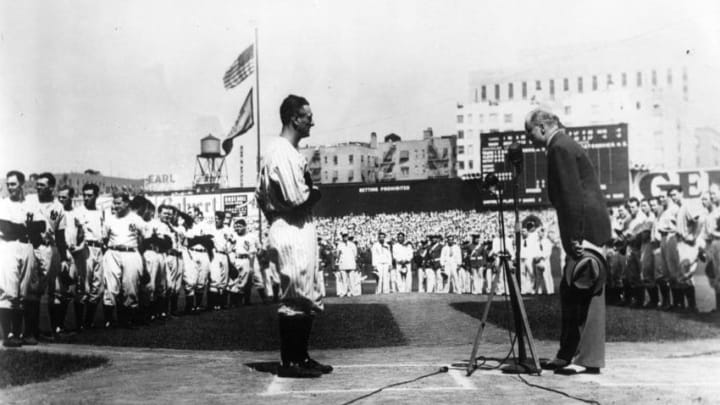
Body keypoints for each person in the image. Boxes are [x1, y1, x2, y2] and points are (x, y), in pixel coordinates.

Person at [526, 109, 611, 375]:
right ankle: (568, 353)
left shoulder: (560, 147)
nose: (528, 138)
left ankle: (587, 359)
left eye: (529, 132)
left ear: (541, 127)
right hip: (585, 227)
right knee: (571, 291)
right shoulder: (563, 144)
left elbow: (572, 196)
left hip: (585, 229)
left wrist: (574, 235)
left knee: (585, 292)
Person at [255, 94, 331, 378]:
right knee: (295, 292)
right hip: (290, 224)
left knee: (306, 291)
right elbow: (297, 197)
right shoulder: (280, 151)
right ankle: (290, 361)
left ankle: (301, 356)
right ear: (293, 118)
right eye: (307, 116)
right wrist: (316, 193)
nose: (312, 121)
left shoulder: (289, 151)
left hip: (297, 225)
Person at [0, 171, 42, 347]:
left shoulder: (30, 203)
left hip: (26, 246)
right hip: (8, 246)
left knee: (23, 291)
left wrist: (21, 228)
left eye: (14, 184)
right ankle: (9, 334)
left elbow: (41, 225)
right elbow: (5, 227)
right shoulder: (3, 204)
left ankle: (19, 333)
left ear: (21, 184)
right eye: (8, 184)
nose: (10, 188)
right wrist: (25, 227)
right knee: (9, 290)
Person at [102, 192, 146, 328]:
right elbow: (104, 238)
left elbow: (144, 237)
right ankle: (109, 320)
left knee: (130, 286)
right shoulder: (109, 219)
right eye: (114, 203)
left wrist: (141, 254)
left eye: (119, 203)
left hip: (131, 252)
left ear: (127, 203)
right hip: (113, 251)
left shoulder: (136, 219)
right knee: (110, 287)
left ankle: (128, 319)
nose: (116, 206)